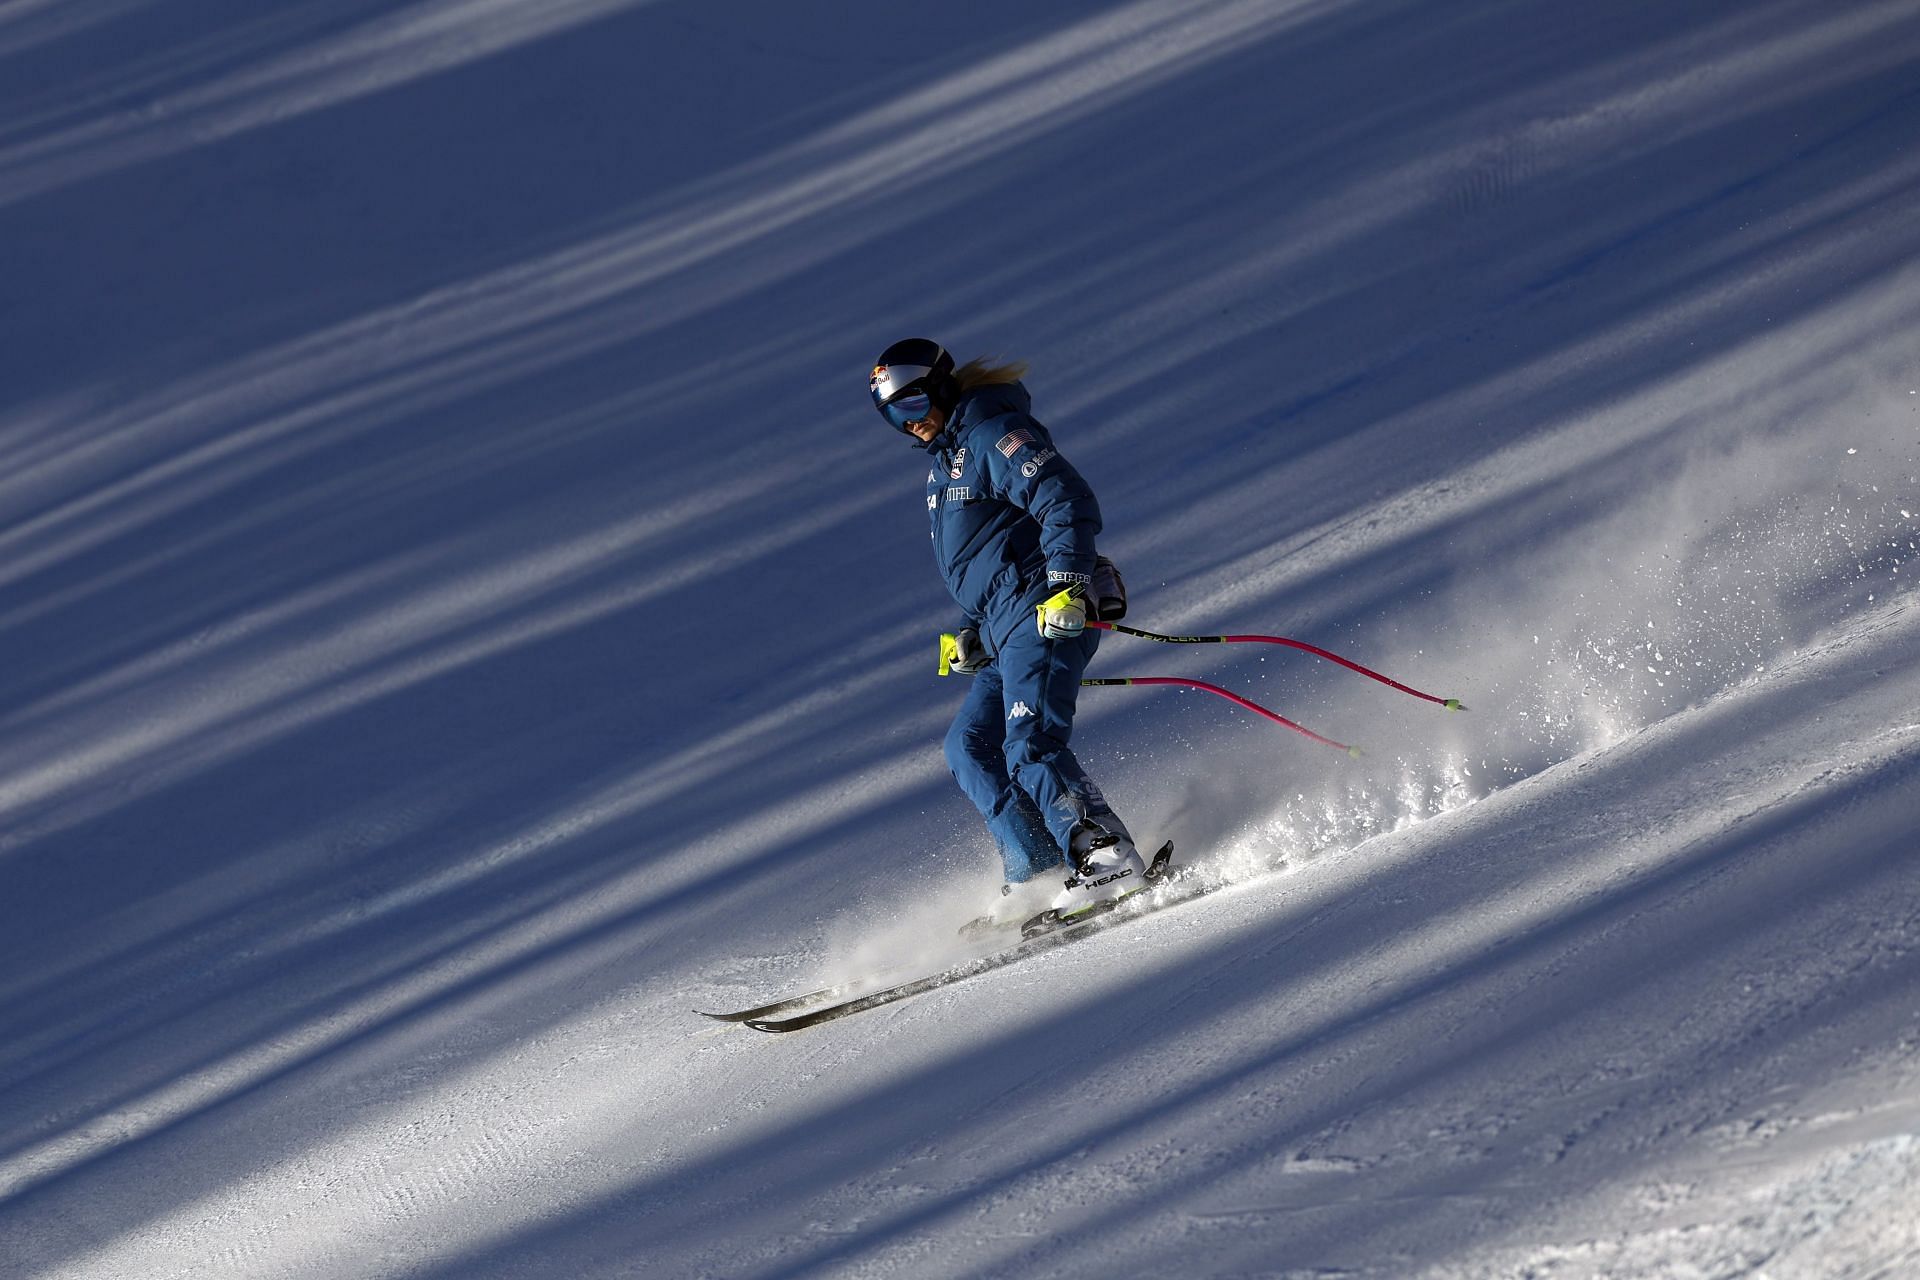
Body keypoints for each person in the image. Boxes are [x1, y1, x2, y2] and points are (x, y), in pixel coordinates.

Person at [868, 337, 1149, 926]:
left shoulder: (994, 434)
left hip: (1044, 609)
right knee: (967, 748)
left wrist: (1069, 585)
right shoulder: (943, 470)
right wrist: (970, 630)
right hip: (1003, 626)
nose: (909, 426)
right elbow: (987, 557)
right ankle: (1037, 870)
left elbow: (1063, 499)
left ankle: (1106, 854)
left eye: (913, 406)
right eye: (892, 416)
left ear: (942, 388)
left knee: (1030, 744)